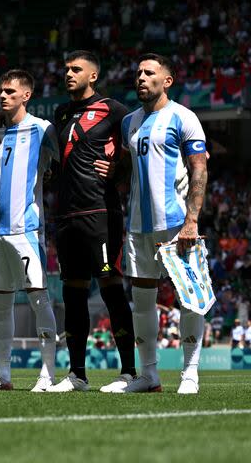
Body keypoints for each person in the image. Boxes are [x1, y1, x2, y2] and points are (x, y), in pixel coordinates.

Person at [47, 50, 138, 393]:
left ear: (93, 76)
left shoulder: (114, 110)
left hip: (101, 213)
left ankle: (129, 372)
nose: (68, 74)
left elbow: (138, 148)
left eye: (76, 69)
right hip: (66, 216)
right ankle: (77, 375)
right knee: (73, 293)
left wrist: (119, 170)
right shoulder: (61, 112)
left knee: (111, 287)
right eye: (66, 68)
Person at [117, 53, 208, 394]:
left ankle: (190, 373)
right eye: (138, 72)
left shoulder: (184, 117)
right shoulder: (130, 123)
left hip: (176, 224)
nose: (140, 77)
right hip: (138, 225)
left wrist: (192, 220)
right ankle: (149, 376)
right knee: (141, 302)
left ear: (167, 81)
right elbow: (129, 169)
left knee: (189, 297)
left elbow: (199, 169)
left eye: (149, 73)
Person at [0, 70, 59, 392]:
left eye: (11, 91)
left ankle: (47, 372)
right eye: (2, 90)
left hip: (26, 230)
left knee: (39, 300)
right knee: (0, 304)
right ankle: (2, 374)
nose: (3, 96)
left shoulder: (43, 130)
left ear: (26, 95)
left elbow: (63, 165)